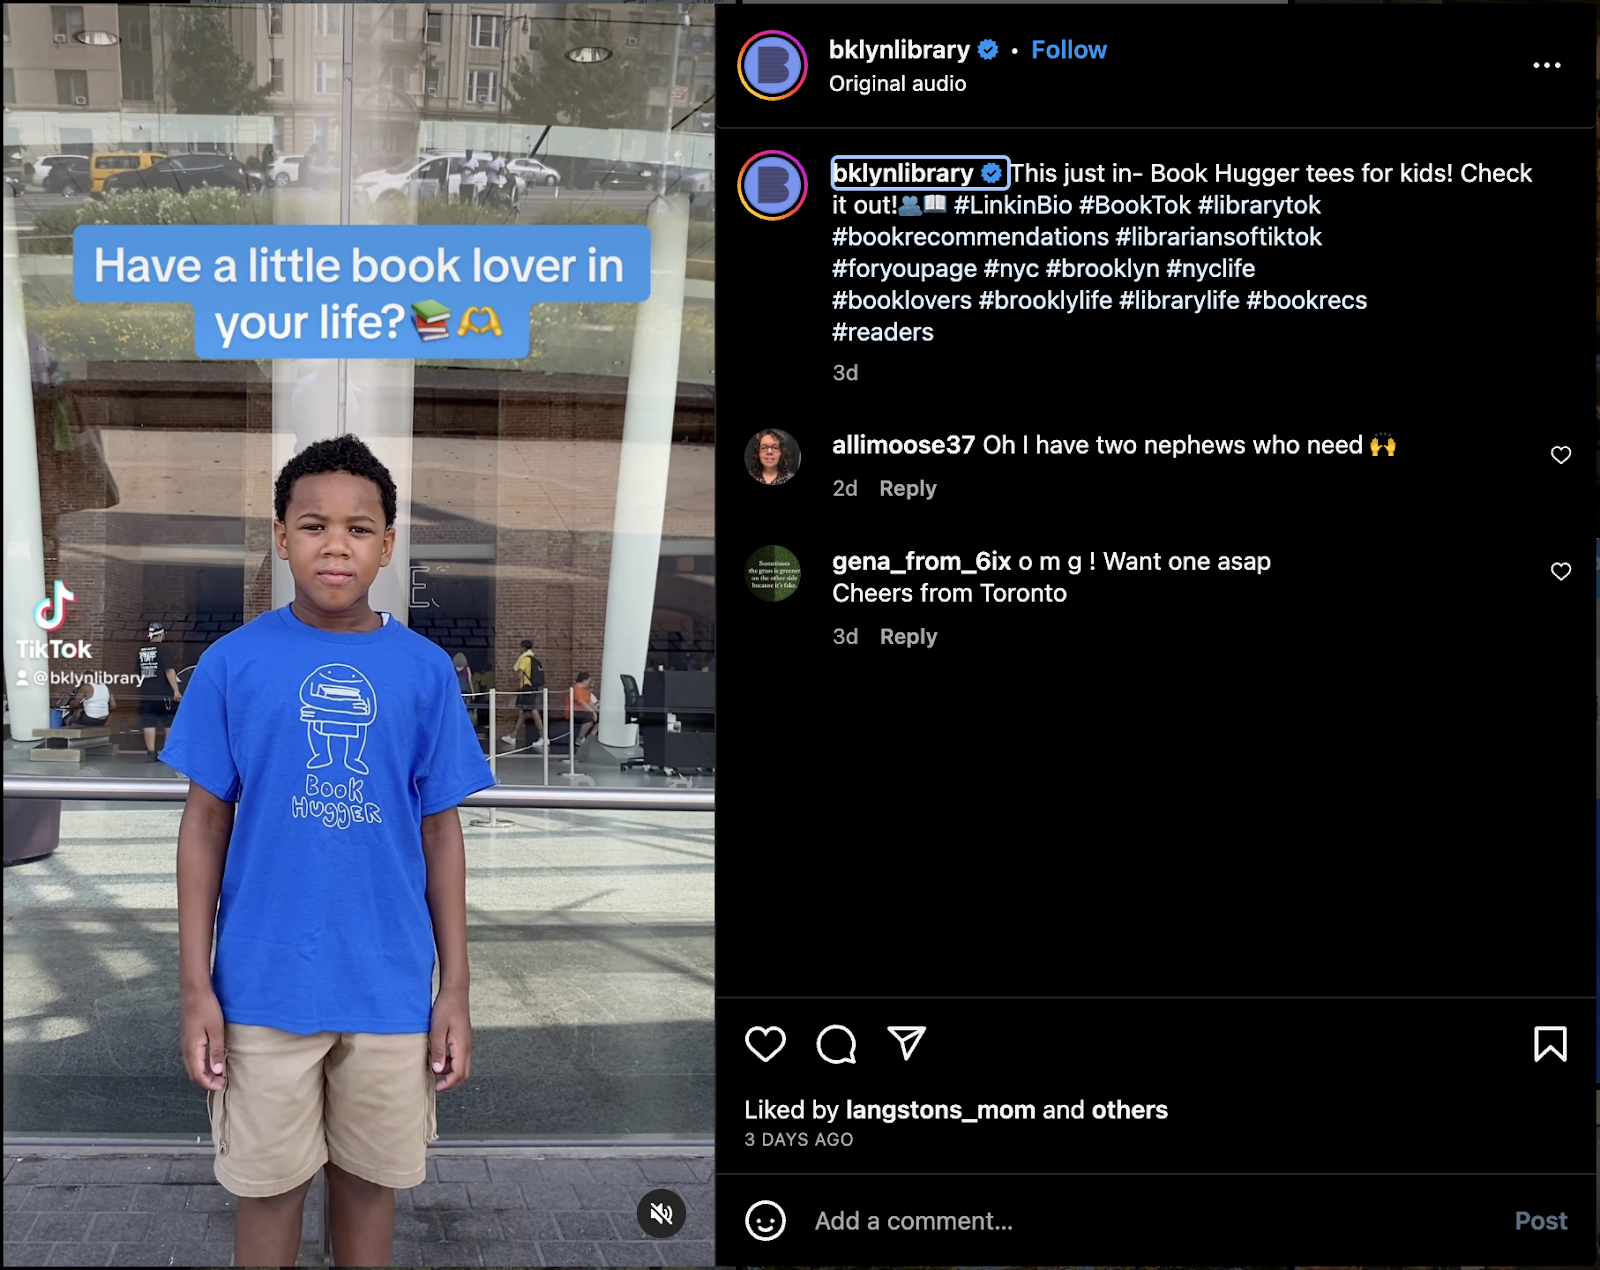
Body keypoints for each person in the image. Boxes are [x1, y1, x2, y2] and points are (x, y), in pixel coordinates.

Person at [164, 434, 494, 1268]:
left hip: (387, 988)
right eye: (313, 525)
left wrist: (454, 987)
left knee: (366, 1186)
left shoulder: (423, 673)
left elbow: (440, 831)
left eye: (359, 527)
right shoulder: (234, 663)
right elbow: (204, 824)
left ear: (387, 544)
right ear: (281, 537)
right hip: (260, 987)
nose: (335, 544)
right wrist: (195, 984)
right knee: (268, 1190)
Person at [136, 622, 182, 761]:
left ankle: (151, 752)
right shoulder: (163, 649)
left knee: (148, 721)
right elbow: (169, 670)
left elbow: (139, 672)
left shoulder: (142, 650)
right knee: (168, 720)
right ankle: (167, 753)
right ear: (161, 634)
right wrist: (176, 690)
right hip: (163, 691)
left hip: (146, 691)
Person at [503, 639, 548, 750]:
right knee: (522, 711)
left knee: (533, 710)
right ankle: (513, 735)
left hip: (527, 687)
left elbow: (519, 675)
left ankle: (544, 737)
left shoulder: (524, 659)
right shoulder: (532, 659)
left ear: (522, 648)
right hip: (532, 687)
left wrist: (511, 681)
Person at [571, 670, 599, 743]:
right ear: (584, 680)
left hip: (584, 711)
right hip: (575, 712)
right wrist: (593, 712)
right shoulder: (576, 688)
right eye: (588, 681)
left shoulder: (585, 690)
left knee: (602, 717)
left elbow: (590, 703)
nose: (589, 683)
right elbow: (581, 702)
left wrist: (599, 711)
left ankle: (590, 738)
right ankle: (580, 738)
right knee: (590, 717)